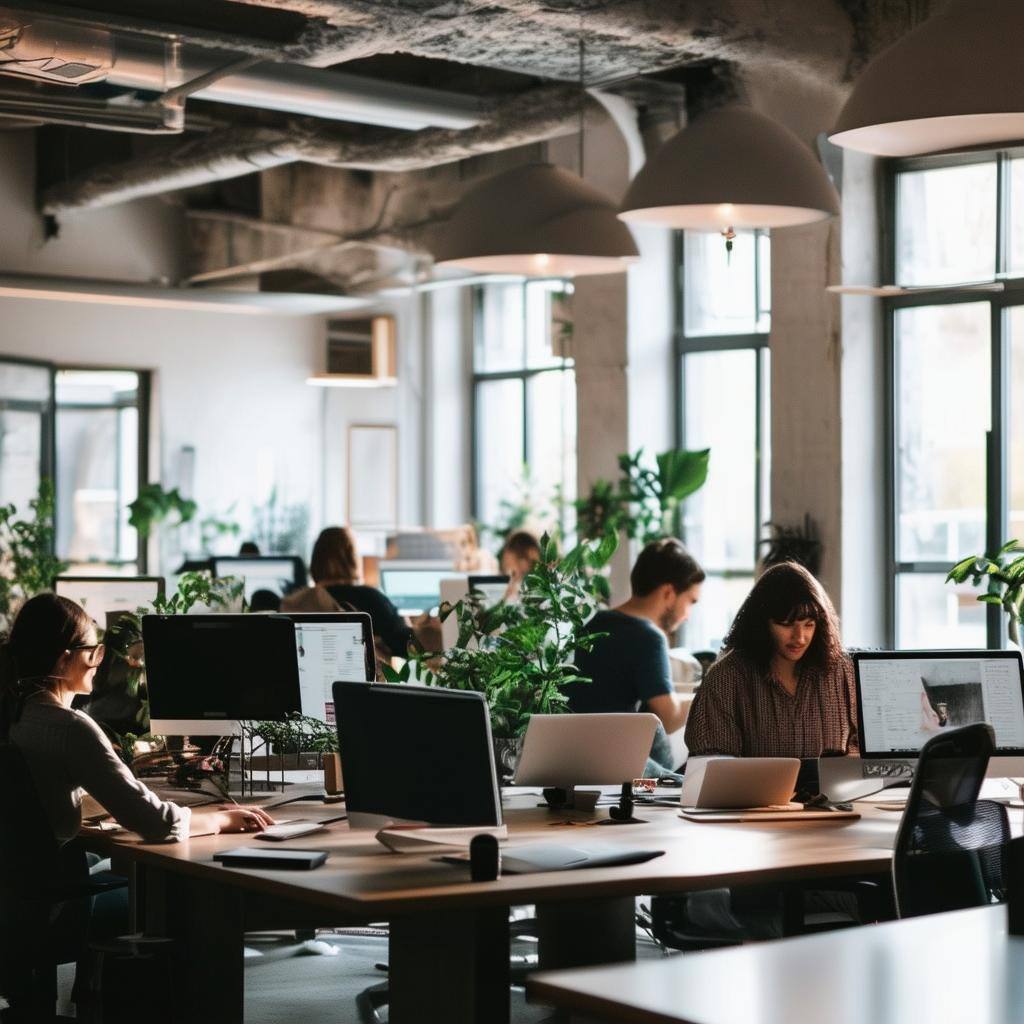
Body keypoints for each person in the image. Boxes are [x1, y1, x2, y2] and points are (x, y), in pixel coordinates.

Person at [0, 593, 275, 846]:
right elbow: (157, 824)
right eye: (94, 652)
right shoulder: (71, 729)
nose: (99, 662)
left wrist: (120, 803)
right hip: (61, 891)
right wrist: (220, 819)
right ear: (64, 660)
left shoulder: (17, 714)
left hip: (20, 890)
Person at [684, 561, 857, 759]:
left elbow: (862, 749)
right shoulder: (727, 678)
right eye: (786, 624)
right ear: (761, 624)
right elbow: (712, 764)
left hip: (833, 791)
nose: (799, 637)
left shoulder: (841, 670)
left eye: (809, 625)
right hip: (752, 791)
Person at [567, 538, 705, 772]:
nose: (688, 615)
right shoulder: (649, 637)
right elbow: (669, 717)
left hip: (585, 762)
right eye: (690, 601)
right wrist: (709, 696)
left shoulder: (594, 624)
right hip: (628, 774)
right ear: (669, 593)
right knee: (700, 772)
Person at [302, 526, 440, 657]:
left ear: (315, 560)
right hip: (361, 680)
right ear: (352, 558)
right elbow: (406, 645)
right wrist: (427, 628)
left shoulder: (299, 601)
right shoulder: (370, 599)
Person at [499, 529, 543, 598]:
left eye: (523, 555)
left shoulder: (541, 589)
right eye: (516, 549)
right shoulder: (497, 586)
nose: (522, 562)